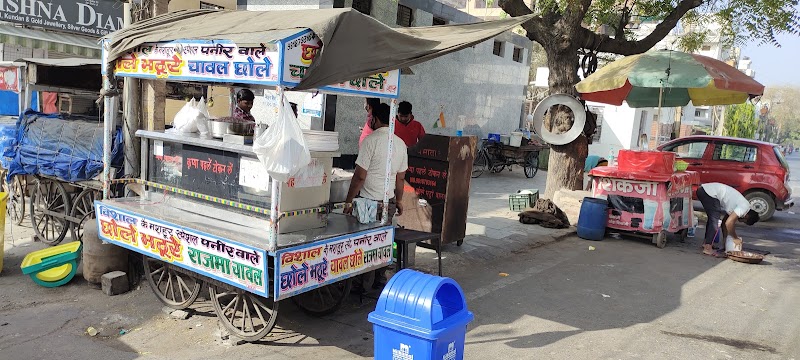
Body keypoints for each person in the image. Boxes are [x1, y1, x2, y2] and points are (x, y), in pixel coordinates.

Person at [344, 103, 408, 292]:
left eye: (370, 116)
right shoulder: (400, 143)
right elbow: (401, 177)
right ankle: (378, 280)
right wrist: (399, 201)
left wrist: (348, 201)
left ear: (375, 119)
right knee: (381, 242)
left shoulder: (370, 141)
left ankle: (361, 285)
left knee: (363, 244)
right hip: (388, 203)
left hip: (368, 203)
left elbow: (359, 176)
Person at [697, 182, 760, 256]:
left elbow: (725, 223)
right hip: (708, 192)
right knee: (715, 220)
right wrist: (735, 238)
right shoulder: (744, 208)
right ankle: (707, 248)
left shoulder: (738, 206)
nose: (740, 221)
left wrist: (725, 243)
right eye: (744, 221)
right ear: (747, 217)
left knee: (712, 218)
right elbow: (729, 223)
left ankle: (706, 243)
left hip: (705, 190)